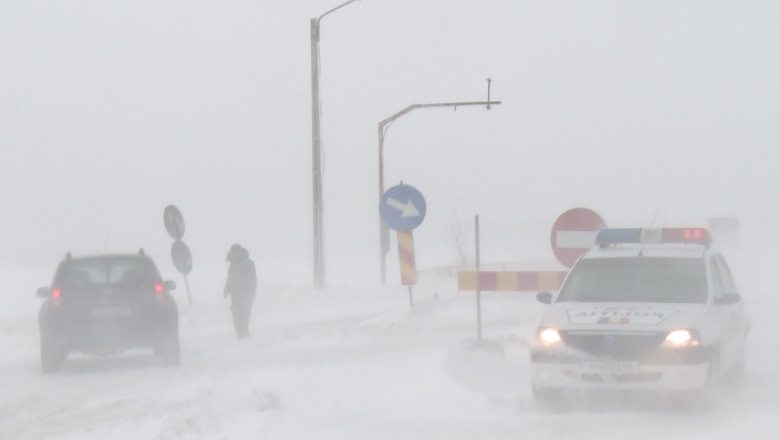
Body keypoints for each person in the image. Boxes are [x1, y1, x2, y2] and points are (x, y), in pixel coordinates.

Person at [223, 244, 257, 339]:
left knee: (244, 315)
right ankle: (240, 335)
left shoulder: (248, 263)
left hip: (245, 295)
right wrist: (227, 289)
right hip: (235, 295)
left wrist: (250, 292)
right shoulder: (233, 265)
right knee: (236, 315)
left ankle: (244, 335)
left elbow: (252, 279)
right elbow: (230, 278)